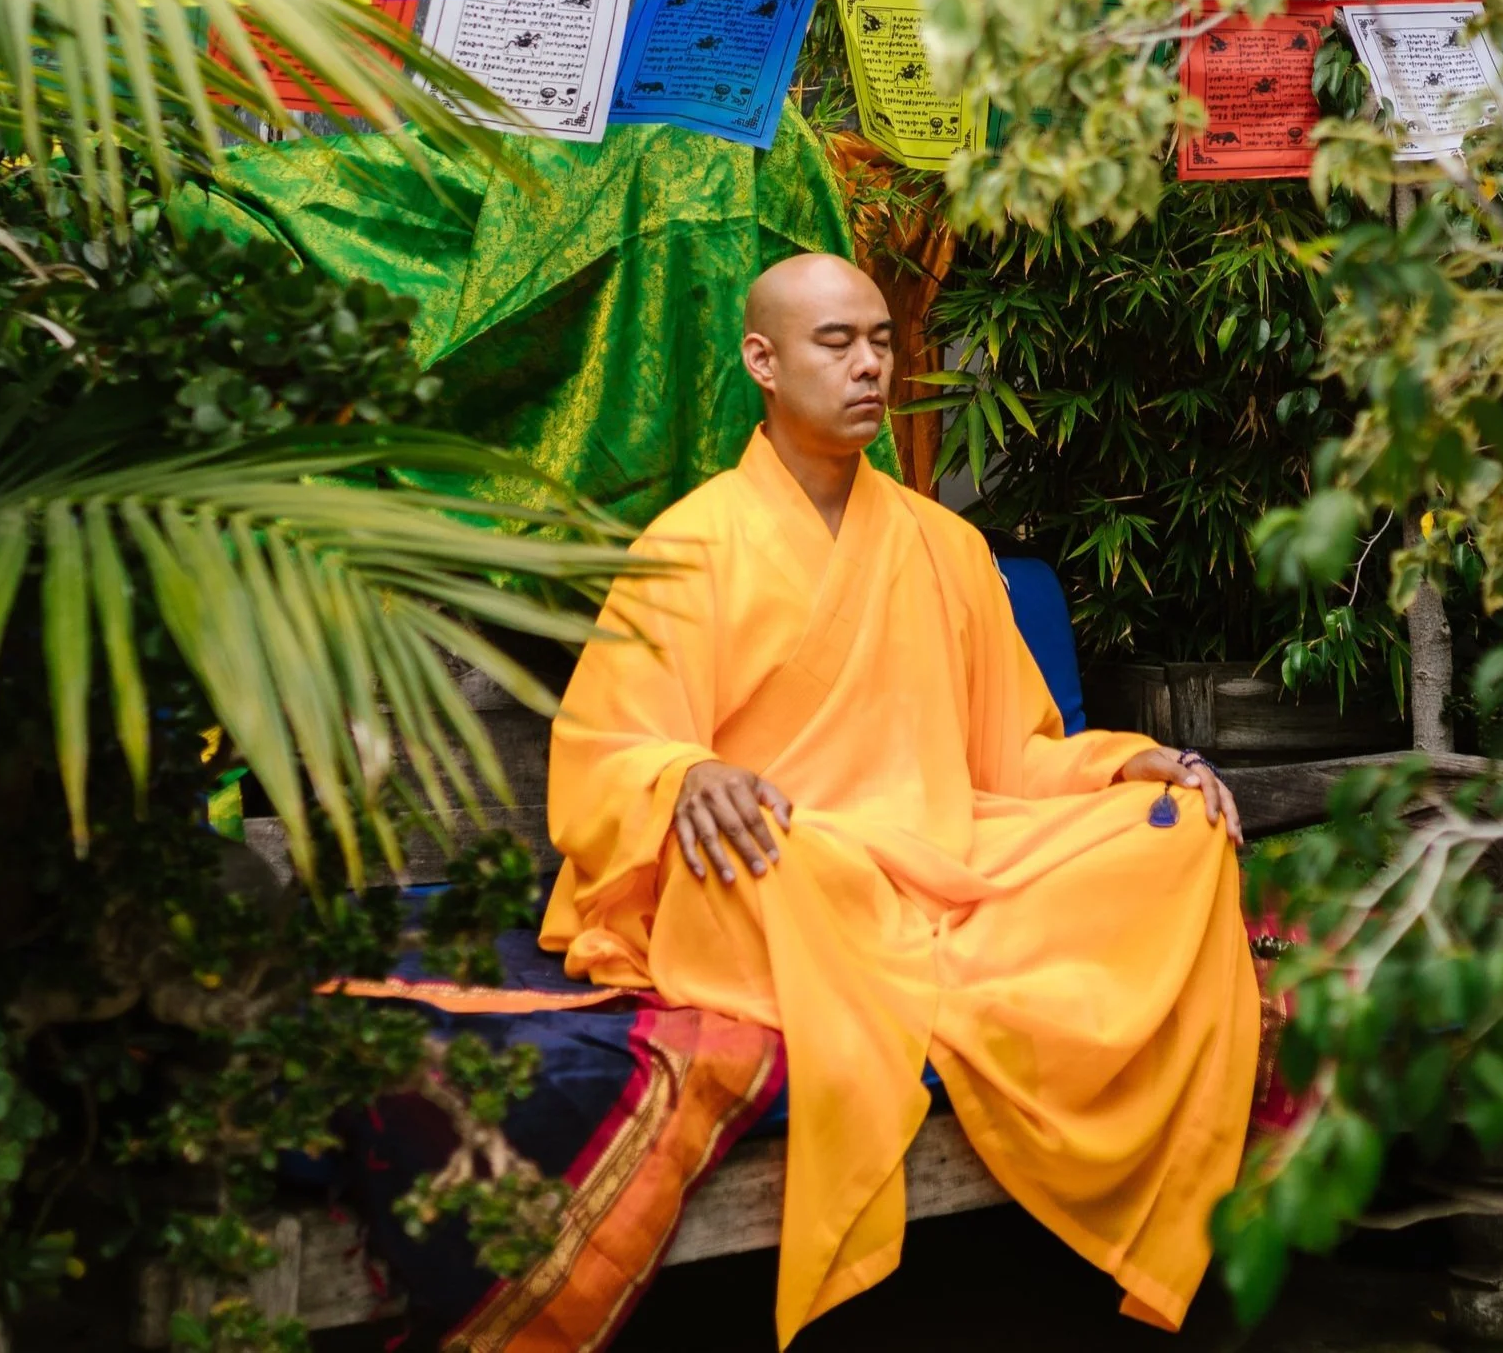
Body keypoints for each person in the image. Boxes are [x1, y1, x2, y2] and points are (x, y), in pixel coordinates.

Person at [540, 252, 1260, 1346]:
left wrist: (1124, 766)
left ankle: (934, 963)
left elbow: (1011, 757)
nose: (870, 362)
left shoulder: (946, 544)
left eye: (881, 338)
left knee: (1169, 836)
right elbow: (608, 748)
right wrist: (687, 772)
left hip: (937, 855)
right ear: (763, 360)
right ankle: (938, 967)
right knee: (791, 861)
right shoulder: (689, 547)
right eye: (838, 342)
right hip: (789, 868)